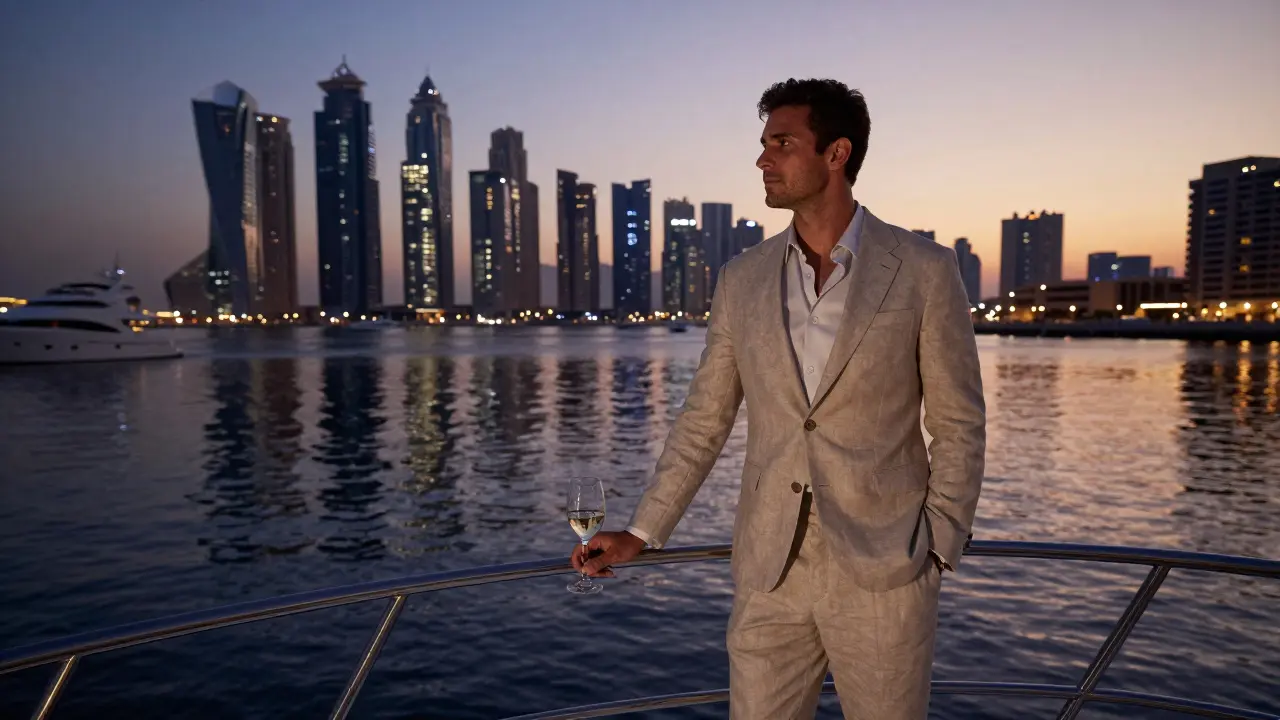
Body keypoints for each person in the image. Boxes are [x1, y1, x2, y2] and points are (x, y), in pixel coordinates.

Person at [571, 78, 986, 719]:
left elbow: (959, 421)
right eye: (763, 145)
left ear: (836, 154)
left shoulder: (924, 269)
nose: (763, 160)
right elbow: (704, 418)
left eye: (782, 143)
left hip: (885, 569)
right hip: (770, 572)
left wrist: (938, 543)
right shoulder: (743, 279)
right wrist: (646, 531)